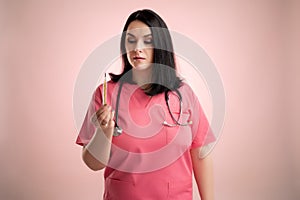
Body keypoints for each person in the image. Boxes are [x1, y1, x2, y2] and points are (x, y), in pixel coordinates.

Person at [76, 9, 216, 200]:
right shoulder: (106, 94)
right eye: (131, 40)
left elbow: (200, 152)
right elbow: (93, 163)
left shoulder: (183, 94)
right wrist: (104, 131)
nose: (137, 47)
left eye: (147, 41)